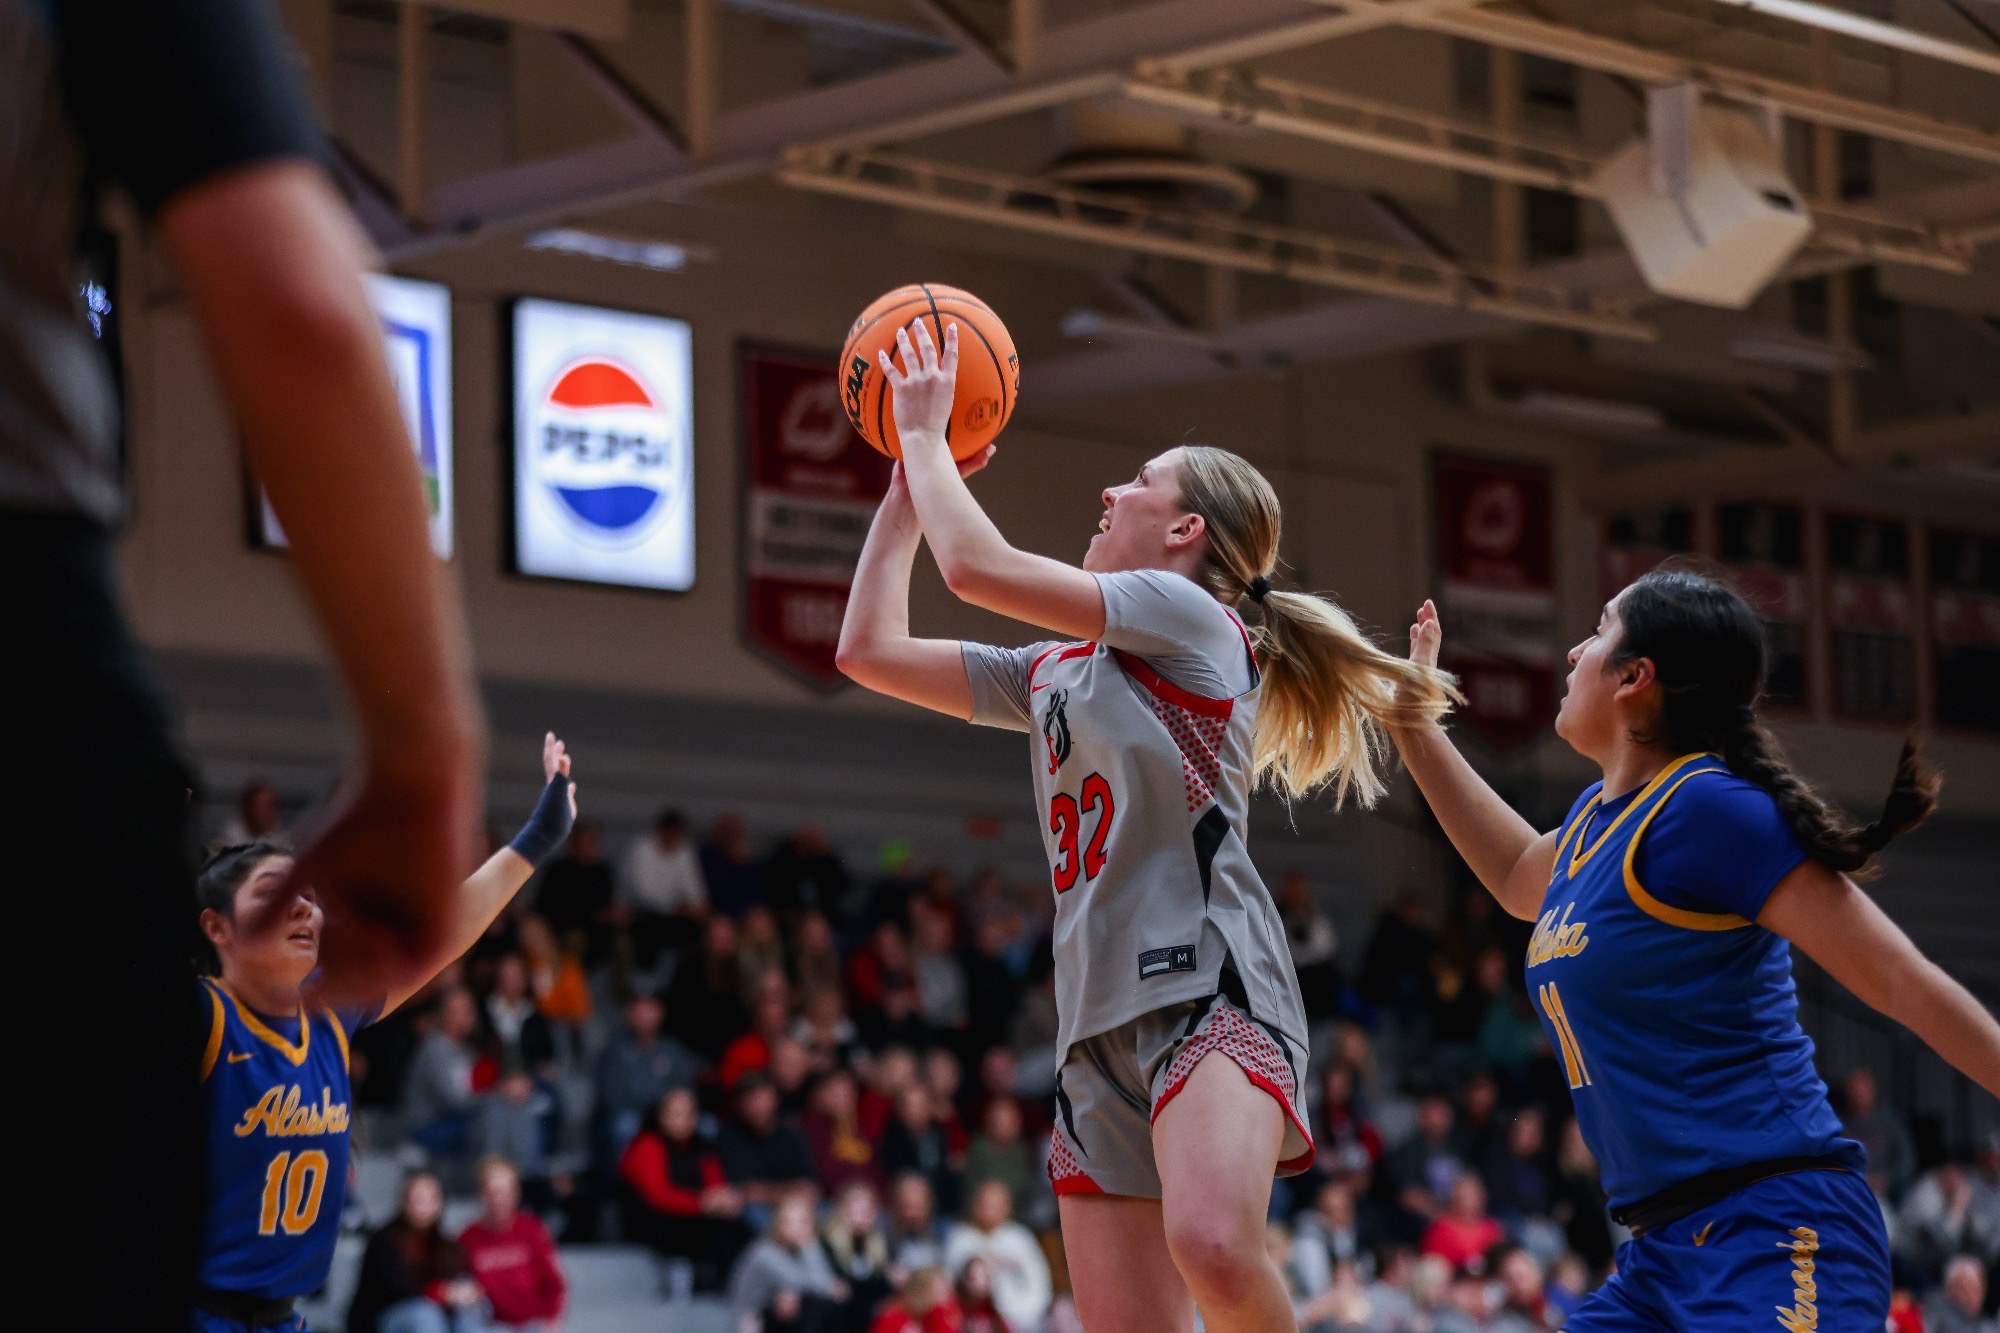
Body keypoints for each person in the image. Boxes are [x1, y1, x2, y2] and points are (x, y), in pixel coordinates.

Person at [8, 2, 486, 1323]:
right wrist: (420, 749)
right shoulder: (231, 1007)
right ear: (215, 929)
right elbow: (298, 300)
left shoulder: (325, 1018)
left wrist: (531, 846)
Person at [836, 318, 1456, 1333]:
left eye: (1137, 481)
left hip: (1208, 983)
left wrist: (922, 437)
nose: (1110, 491)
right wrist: (907, 492)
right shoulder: (1052, 670)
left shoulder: (1191, 619)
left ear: (1184, 532)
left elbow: (974, 568)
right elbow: (867, 648)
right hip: (1092, 1020)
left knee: (1213, 1246)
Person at [1390, 569, 2000, 1331]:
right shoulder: (1590, 826)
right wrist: (1414, 723)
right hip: (1663, 1251)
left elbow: (1900, 979)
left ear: (1635, 677)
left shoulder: (1706, 807)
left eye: (1599, 630)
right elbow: (1516, 873)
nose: (1575, 651)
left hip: (1781, 1225)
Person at [190, 735, 573, 1330]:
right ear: (217, 929)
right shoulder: (203, 1015)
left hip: (282, 1320)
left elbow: (446, 932)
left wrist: (539, 836)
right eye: (272, 894)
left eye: (309, 896)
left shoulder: (330, 1012)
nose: (303, 908)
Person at [619, 1087, 752, 1291]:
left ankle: (730, 1286)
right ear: (661, 1115)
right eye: (675, 1113)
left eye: (688, 1114)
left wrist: (723, 1200)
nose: (682, 1121)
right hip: (653, 1218)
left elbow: (715, 1184)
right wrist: (701, 1203)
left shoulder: (702, 1146)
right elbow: (657, 1195)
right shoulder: (648, 1144)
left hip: (696, 1214)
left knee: (737, 1225)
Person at [347, 1172, 488, 1333]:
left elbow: (456, 1279)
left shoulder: (444, 1245)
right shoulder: (384, 1241)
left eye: (429, 1199)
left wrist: (465, 1292)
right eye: (417, 1199)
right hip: (386, 1318)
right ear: (404, 1202)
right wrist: (440, 1293)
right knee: (425, 1314)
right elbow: (395, 1291)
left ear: (439, 1203)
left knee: (474, 1308)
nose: (422, 1206)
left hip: (438, 1317)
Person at [593, 991, 702, 1169]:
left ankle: (696, 1177)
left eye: (650, 1010)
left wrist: (672, 1111)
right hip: (637, 1117)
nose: (645, 1017)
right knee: (624, 1125)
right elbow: (612, 1100)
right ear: (629, 1014)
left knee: (706, 1125)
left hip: (670, 1115)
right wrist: (656, 1113)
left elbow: (685, 1089)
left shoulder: (672, 1050)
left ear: (660, 1013)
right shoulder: (615, 1052)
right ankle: (624, 1179)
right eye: (640, 1011)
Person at [458, 1157, 567, 1331]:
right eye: (492, 1192)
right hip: (492, 1326)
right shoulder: (467, 1237)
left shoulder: (532, 1230)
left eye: (504, 1192)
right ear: (481, 1194)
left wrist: (552, 1322)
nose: (498, 1200)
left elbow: (555, 1284)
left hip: (534, 1323)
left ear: (516, 1193)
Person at [728, 1188, 848, 1333]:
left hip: (771, 1316)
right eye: (789, 1221)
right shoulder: (764, 1251)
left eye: (803, 1222)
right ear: (777, 1222)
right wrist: (809, 1244)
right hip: (743, 1319)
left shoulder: (800, 1249)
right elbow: (801, 1280)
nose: (796, 1228)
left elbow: (821, 1279)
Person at [945, 1181, 1053, 1333]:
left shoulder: (1020, 1237)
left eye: (995, 1205)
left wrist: (1022, 1319)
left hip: (1023, 1322)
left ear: (1007, 1207)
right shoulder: (959, 1238)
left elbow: (1040, 1285)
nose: (989, 1210)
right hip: (973, 1323)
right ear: (973, 1205)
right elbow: (948, 1288)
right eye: (984, 1204)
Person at [717, 1071, 820, 1227]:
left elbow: (809, 1188)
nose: (758, 1105)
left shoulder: (791, 1133)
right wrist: (788, 1191)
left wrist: (768, 1193)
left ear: (775, 1099)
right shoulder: (728, 1137)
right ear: (739, 1104)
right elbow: (743, 1192)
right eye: (751, 1098)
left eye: (763, 1097)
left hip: (793, 1208)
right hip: (752, 1212)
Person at [617, 807, 708, 966]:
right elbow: (644, 895)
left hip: (668, 917)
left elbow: (695, 893)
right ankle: (646, 977)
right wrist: (678, 907)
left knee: (694, 931)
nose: (674, 838)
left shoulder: (684, 851)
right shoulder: (641, 849)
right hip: (636, 914)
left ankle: (677, 976)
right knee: (647, 929)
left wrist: (693, 906)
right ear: (662, 830)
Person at [822, 1181, 898, 1333]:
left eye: (864, 1213)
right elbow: (843, 1287)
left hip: (870, 1315)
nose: (858, 1219)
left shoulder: (880, 1243)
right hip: (841, 1318)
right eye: (852, 1212)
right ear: (840, 1211)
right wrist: (880, 1282)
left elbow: (883, 1285)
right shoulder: (828, 1242)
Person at [1419, 1176, 1504, 1274]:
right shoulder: (1438, 1231)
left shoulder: (1492, 1229)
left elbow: (1500, 1261)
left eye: (1473, 1195)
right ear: (1453, 1198)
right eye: (1464, 1196)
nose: (1469, 1201)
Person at [1925, 1254, 1998, 1333]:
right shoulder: (1932, 1316)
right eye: (1965, 1290)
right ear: (1949, 1289)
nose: (1971, 1297)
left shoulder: (1985, 1324)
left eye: (1976, 1290)